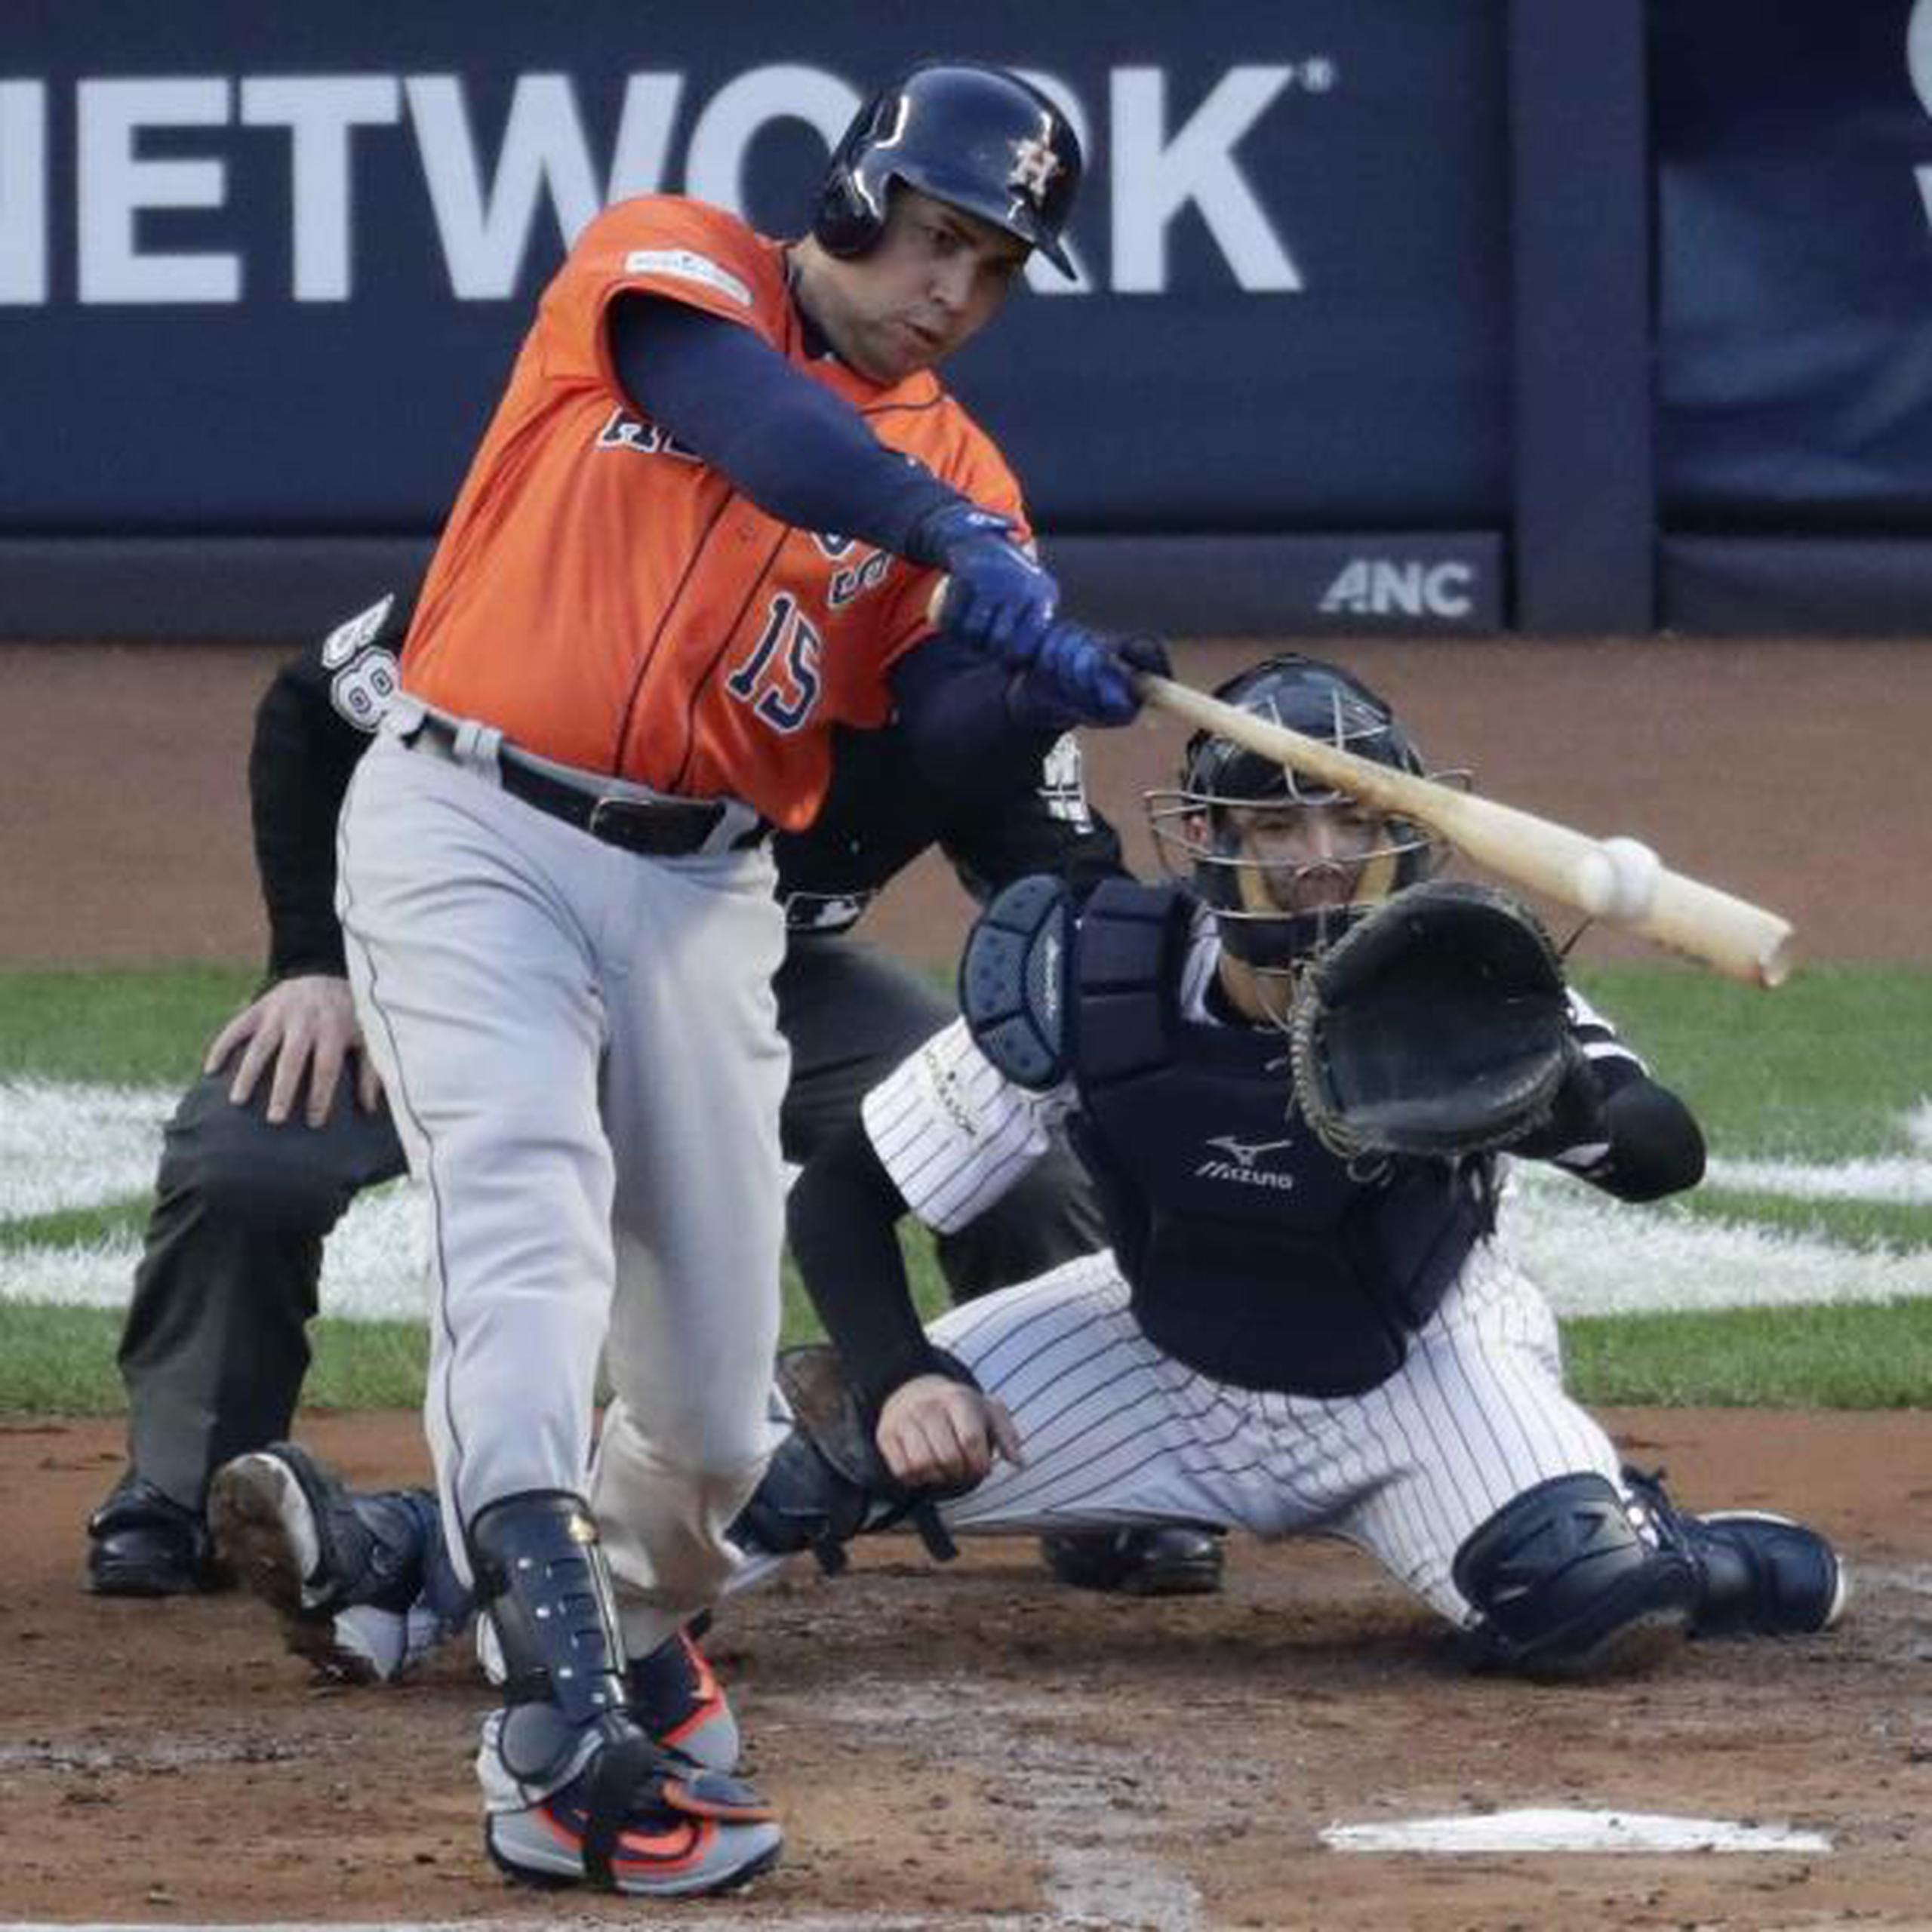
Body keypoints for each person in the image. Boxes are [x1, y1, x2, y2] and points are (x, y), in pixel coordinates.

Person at [327, 57, 1153, 1900]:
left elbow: (921, 711)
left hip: (707, 896)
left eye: (995, 262)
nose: (954, 285)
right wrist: (948, 543)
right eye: (938, 233)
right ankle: (554, 1739)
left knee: (707, 1412)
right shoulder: (669, 262)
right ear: (858, 195)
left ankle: (622, 1622)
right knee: (524, 1233)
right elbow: (752, 424)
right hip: (474, 824)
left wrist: (1021, 681)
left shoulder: (963, 471)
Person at [728, 654, 1848, 1678]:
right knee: (755, 1474)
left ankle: (1674, 1549)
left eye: (1352, 819)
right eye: (1275, 827)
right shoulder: (1097, 977)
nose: (1319, 860)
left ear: (1399, 828)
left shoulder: (1465, 984)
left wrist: (1550, 1098)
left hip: (1417, 1373)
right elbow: (843, 1198)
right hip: (1148, 1359)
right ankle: (590, 1653)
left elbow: (1664, 1154)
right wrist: (902, 1375)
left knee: (1583, 1595)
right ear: (1210, 834)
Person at [88, 579, 1183, 1618]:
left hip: (756, 972)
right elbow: (313, 709)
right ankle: (186, 1487)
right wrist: (313, 960)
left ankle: (1097, 1474)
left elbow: (1063, 881)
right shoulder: (591, 554)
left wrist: (1148, 1001)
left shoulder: (978, 665)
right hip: (488, 956)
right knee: (254, 1148)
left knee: (1025, 1147)